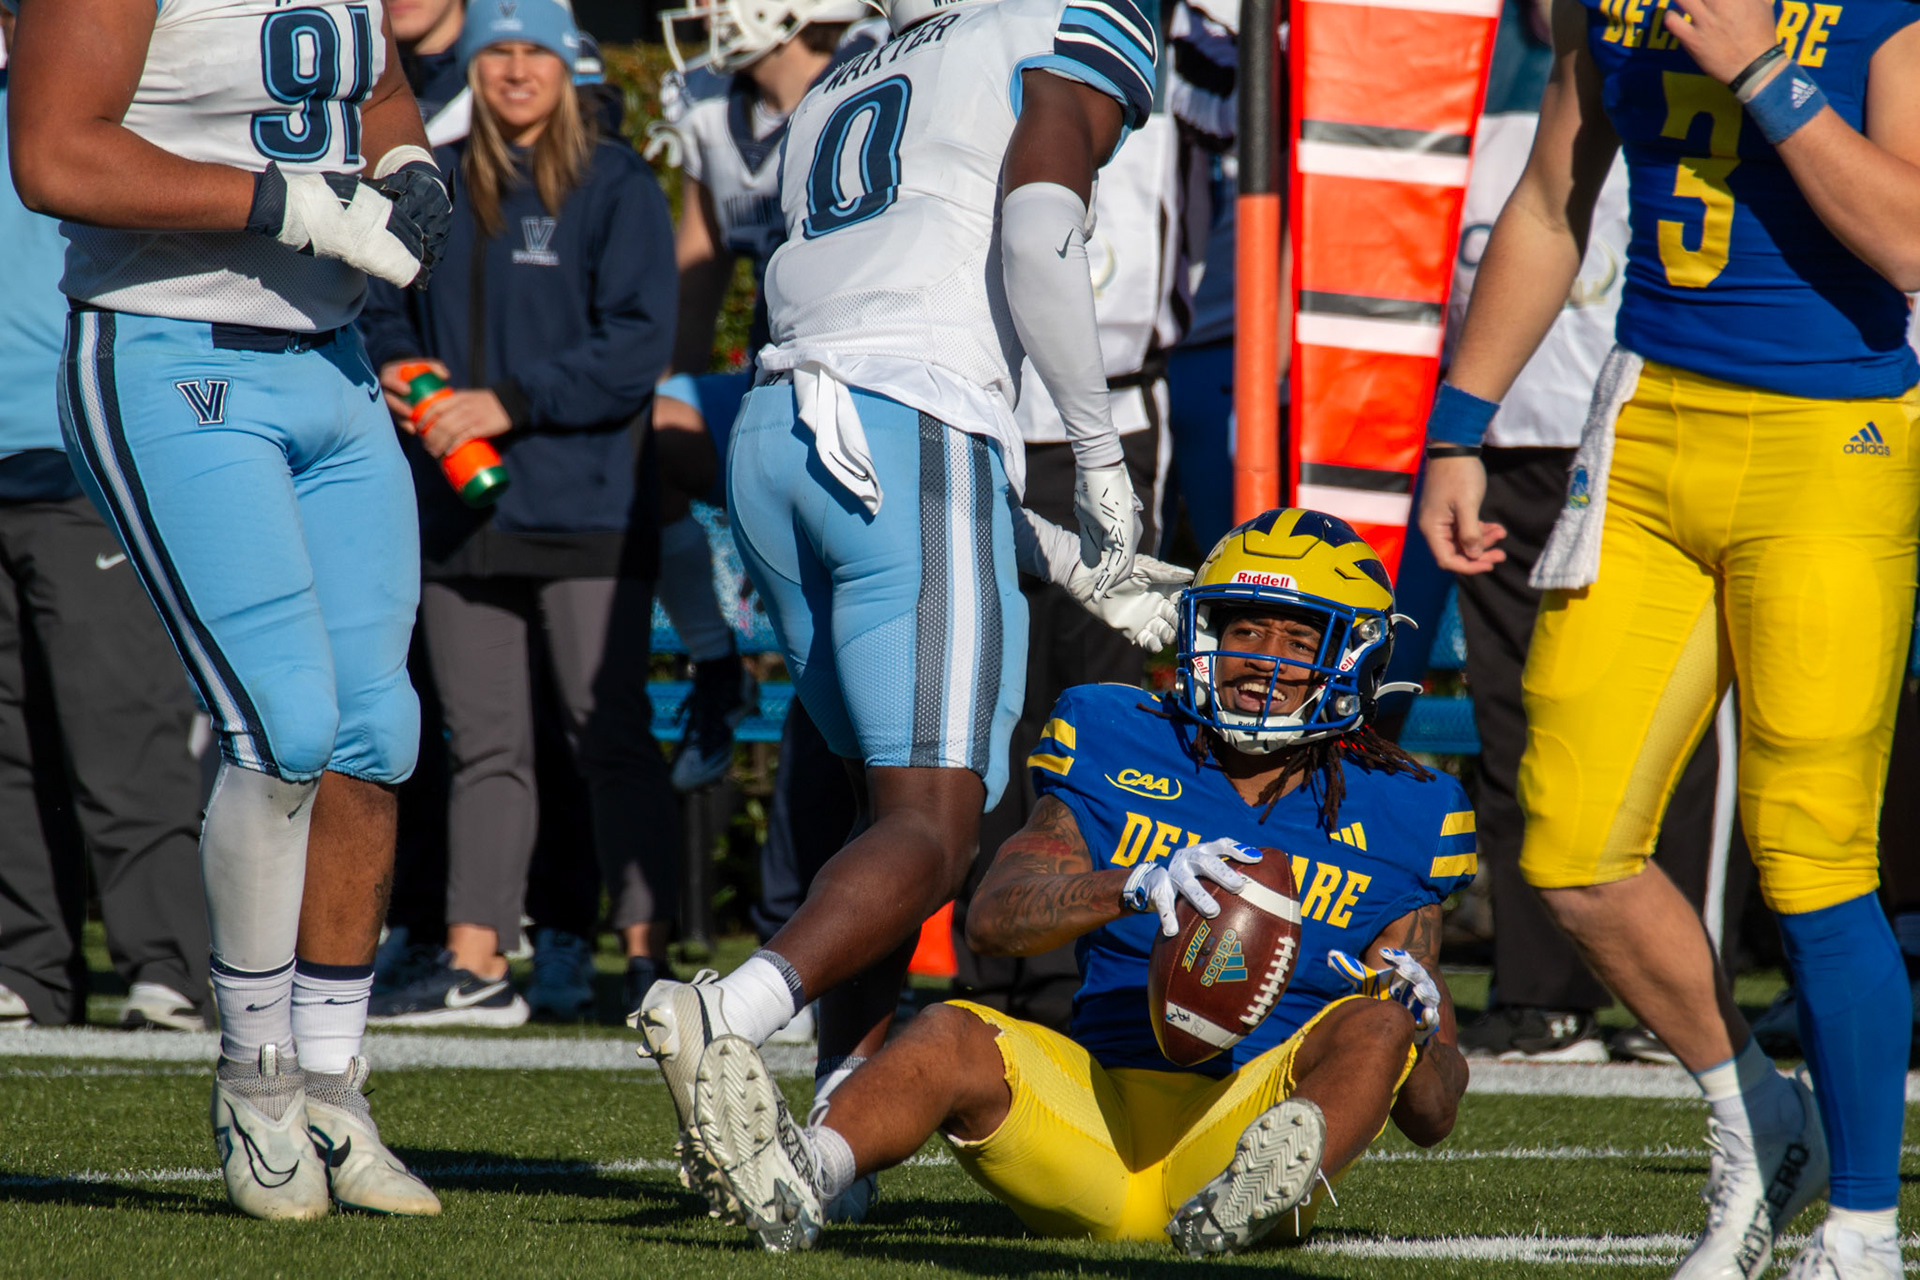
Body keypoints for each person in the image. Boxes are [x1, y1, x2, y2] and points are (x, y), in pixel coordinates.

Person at [635, 0, 1193, 1207]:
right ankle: (729, 1012)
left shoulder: (839, 81)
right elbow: (1037, 229)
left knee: (876, 813)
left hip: (781, 441)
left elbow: (861, 364)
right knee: (936, 826)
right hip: (909, 433)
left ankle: (835, 1126)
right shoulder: (1061, 20)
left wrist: (1065, 556)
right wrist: (1098, 451)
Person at [1415, 0, 1920, 1265]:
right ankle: (1757, 1109)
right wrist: (1461, 425)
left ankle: (1863, 1231)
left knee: (1813, 859)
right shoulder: (1606, 5)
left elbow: (1909, 238)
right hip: (1644, 428)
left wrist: (1763, 69)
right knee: (1571, 841)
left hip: (1831, 447)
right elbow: (1550, 203)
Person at [688, 510, 1474, 1253]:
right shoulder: (1119, 735)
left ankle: (1250, 1198)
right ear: (1204, 633)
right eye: (1244, 630)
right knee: (950, 1029)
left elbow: (1434, 1117)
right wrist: (1131, 885)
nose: (1262, 660)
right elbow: (992, 918)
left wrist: (1414, 1032)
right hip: (1097, 1118)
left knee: (1376, 1025)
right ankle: (805, 1175)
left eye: (1299, 640)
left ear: (1355, 660)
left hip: (1247, 1122)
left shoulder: (1409, 811)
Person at [8, 0, 450, 1221]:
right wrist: (285, 203)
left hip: (334, 360)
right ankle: (255, 1081)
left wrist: (409, 166)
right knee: (285, 721)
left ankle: (333, 1083)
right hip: (168, 351)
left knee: (376, 732)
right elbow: (53, 153)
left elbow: (375, 85)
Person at [1442, 0, 1754, 1067]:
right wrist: (1458, 436)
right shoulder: (1478, 121)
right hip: (1508, 453)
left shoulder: (1680, 94)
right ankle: (1540, 996)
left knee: (1682, 733)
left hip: (1634, 444)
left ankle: (1693, 997)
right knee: (1515, 725)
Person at [358, 0, 679, 1026]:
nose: (513, 70)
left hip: (587, 508)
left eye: (533, 50)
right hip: (463, 512)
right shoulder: (439, 180)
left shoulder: (618, 184)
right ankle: (476, 963)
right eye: (496, 51)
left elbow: (638, 344)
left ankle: (650, 959)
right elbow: (381, 306)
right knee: (484, 743)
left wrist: (507, 402)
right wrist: (406, 375)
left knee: (607, 736)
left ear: (566, 63)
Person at [0, 8, 211, 1034]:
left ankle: (170, 964)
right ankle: (27, 968)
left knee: (123, 724)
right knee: (6, 744)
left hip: (79, 453)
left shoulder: (94, 104)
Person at [649, 0, 878, 792]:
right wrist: (664, 382)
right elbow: (699, 263)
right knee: (649, 433)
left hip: (863, 393)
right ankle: (718, 666)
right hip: (770, 387)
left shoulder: (873, 76)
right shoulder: (716, 109)